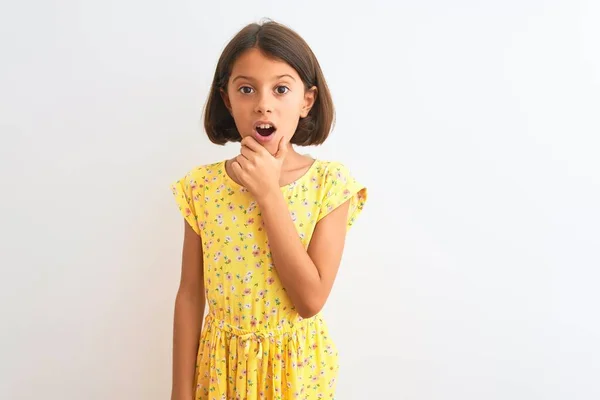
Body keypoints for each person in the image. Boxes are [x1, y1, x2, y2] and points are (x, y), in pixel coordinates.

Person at [170, 20, 367, 400]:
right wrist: (181, 391)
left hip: (297, 374)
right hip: (220, 371)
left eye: (280, 89)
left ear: (306, 101)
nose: (263, 103)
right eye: (246, 89)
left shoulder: (330, 184)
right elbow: (190, 294)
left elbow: (310, 301)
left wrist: (268, 194)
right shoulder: (200, 187)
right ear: (227, 99)